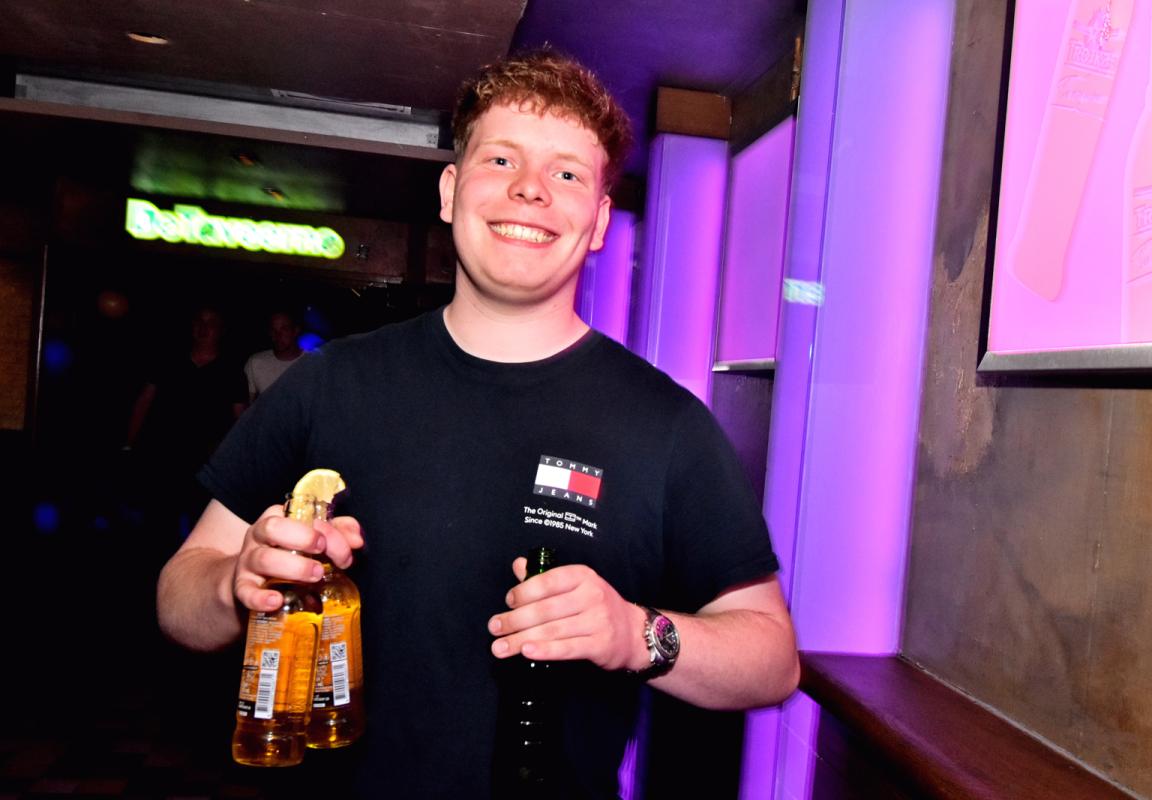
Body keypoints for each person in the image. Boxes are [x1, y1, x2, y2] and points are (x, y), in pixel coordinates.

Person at [157, 49, 799, 798]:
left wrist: (635, 635)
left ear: (598, 222)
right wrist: (235, 582)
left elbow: (772, 659)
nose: (530, 188)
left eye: (567, 174)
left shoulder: (667, 425)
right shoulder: (330, 383)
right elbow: (178, 597)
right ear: (450, 190)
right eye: (501, 159)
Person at [125, 303, 246, 538]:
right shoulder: (168, 359)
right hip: (161, 457)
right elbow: (143, 401)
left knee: (198, 528)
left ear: (221, 330)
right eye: (199, 321)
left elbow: (240, 418)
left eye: (211, 323)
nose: (203, 328)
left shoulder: (231, 370)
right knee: (156, 525)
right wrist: (129, 445)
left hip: (204, 464)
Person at [244, 309, 304, 402]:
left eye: (284, 329)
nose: (278, 335)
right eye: (273, 330)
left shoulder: (313, 362)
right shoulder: (255, 362)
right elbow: (247, 405)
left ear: (296, 330)